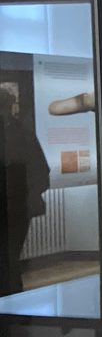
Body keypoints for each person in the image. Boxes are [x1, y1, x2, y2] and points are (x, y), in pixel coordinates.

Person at [0, 89, 50, 295]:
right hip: (17, 205)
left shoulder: (20, 133)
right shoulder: (22, 132)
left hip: (16, 207)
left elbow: (39, 171)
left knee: (9, 260)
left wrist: (26, 196)